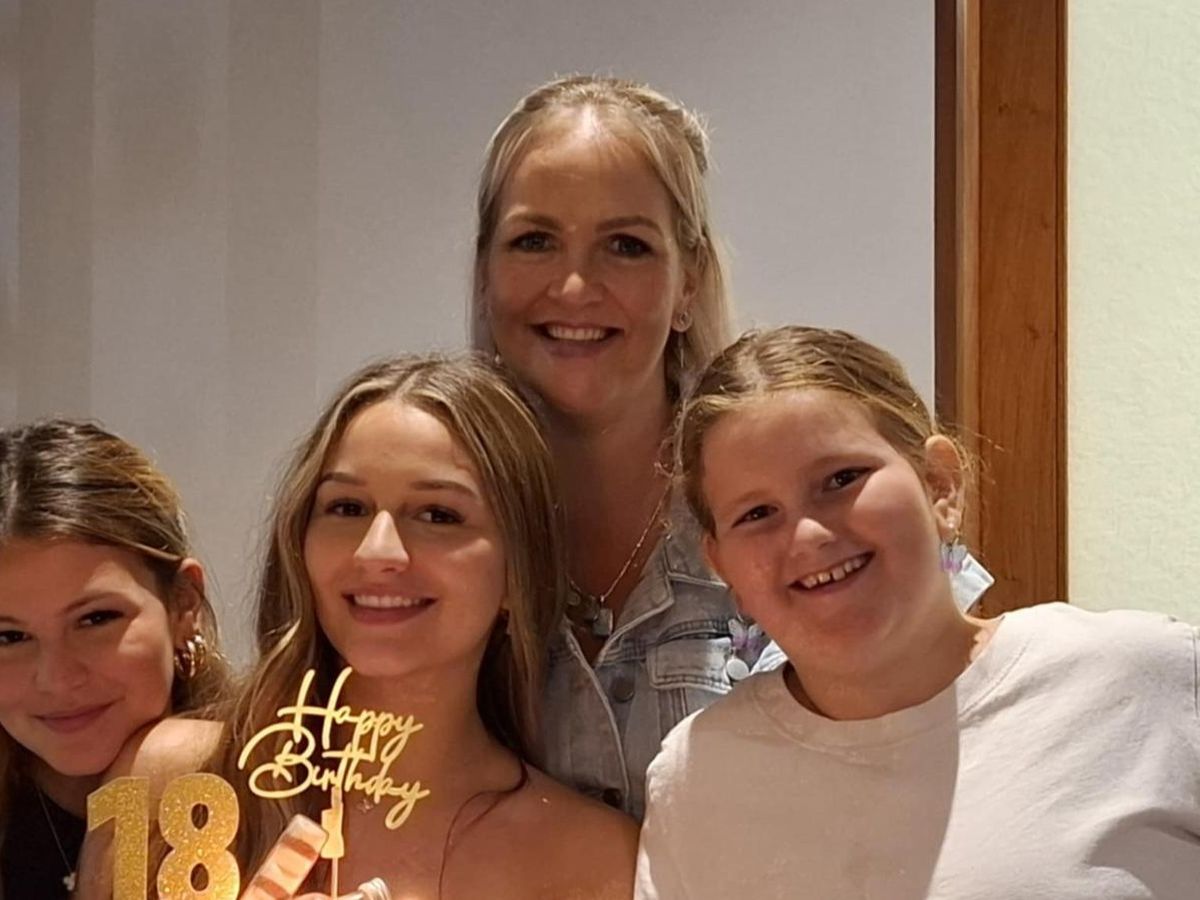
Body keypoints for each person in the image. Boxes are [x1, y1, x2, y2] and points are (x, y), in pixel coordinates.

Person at [472, 74, 993, 819]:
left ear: (689, 282)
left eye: (626, 245)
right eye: (534, 241)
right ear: (486, 273)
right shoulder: (429, 536)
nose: (576, 286)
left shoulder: (820, 520)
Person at [635, 326, 1200, 899]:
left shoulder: (1151, 680)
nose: (807, 535)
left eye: (841, 479)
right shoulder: (698, 775)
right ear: (722, 566)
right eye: (756, 513)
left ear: (939, 485)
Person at [81, 355, 636, 900]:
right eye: (347, 508)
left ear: (519, 572)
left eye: (439, 515)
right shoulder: (167, 778)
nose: (377, 551)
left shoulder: (595, 862)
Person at [0, 419, 230, 900]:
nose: (57, 678)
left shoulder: (287, 782)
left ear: (183, 605)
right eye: (10, 637)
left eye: (96, 619)